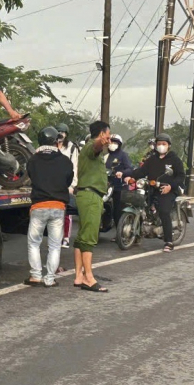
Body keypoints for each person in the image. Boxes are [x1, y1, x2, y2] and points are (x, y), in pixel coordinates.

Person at [25, 126, 74, 287]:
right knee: (54, 245)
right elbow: (68, 180)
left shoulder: (33, 160)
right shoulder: (65, 161)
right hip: (58, 206)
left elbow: (31, 177)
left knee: (34, 243)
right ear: (56, 142)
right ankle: (50, 279)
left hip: (38, 205)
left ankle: (36, 276)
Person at [124, 133, 186, 253]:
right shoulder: (152, 159)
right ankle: (137, 234)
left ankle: (168, 241)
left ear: (169, 145)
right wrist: (130, 176)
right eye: (159, 144)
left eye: (164, 144)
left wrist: (170, 186)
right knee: (141, 204)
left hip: (168, 190)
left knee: (164, 211)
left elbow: (181, 176)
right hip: (152, 188)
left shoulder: (174, 159)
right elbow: (141, 171)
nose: (161, 146)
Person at [73, 120, 111, 293]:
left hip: (87, 195)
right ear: (102, 134)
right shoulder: (90, 147)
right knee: (89, 237)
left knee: (82, 236)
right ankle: (89, 277)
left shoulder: (90, 150)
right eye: (107, 134)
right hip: (91, 196)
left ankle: (78, 276)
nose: (109, 138)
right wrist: (99, 142)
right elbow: (95, 147)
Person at [56, 123, 79, 249]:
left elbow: (75, 167)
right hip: (53, 182)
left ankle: (65, 237)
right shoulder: (52, 145)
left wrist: (73, 185)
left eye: (63, 132)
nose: (60, 134)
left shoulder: (71, 148)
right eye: (58, 131)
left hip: (67, 183)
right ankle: (55, 236)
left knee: (66, 212)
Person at [107, 134, 133, 232]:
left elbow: (129, 169)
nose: (112, 144)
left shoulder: (123, 155)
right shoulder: (107, 155)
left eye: (115, 142)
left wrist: (122, 173)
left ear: (119, 144)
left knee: (118, 210)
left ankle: (120, 233)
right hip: (107, 186)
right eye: (111, 142)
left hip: (119, 187)